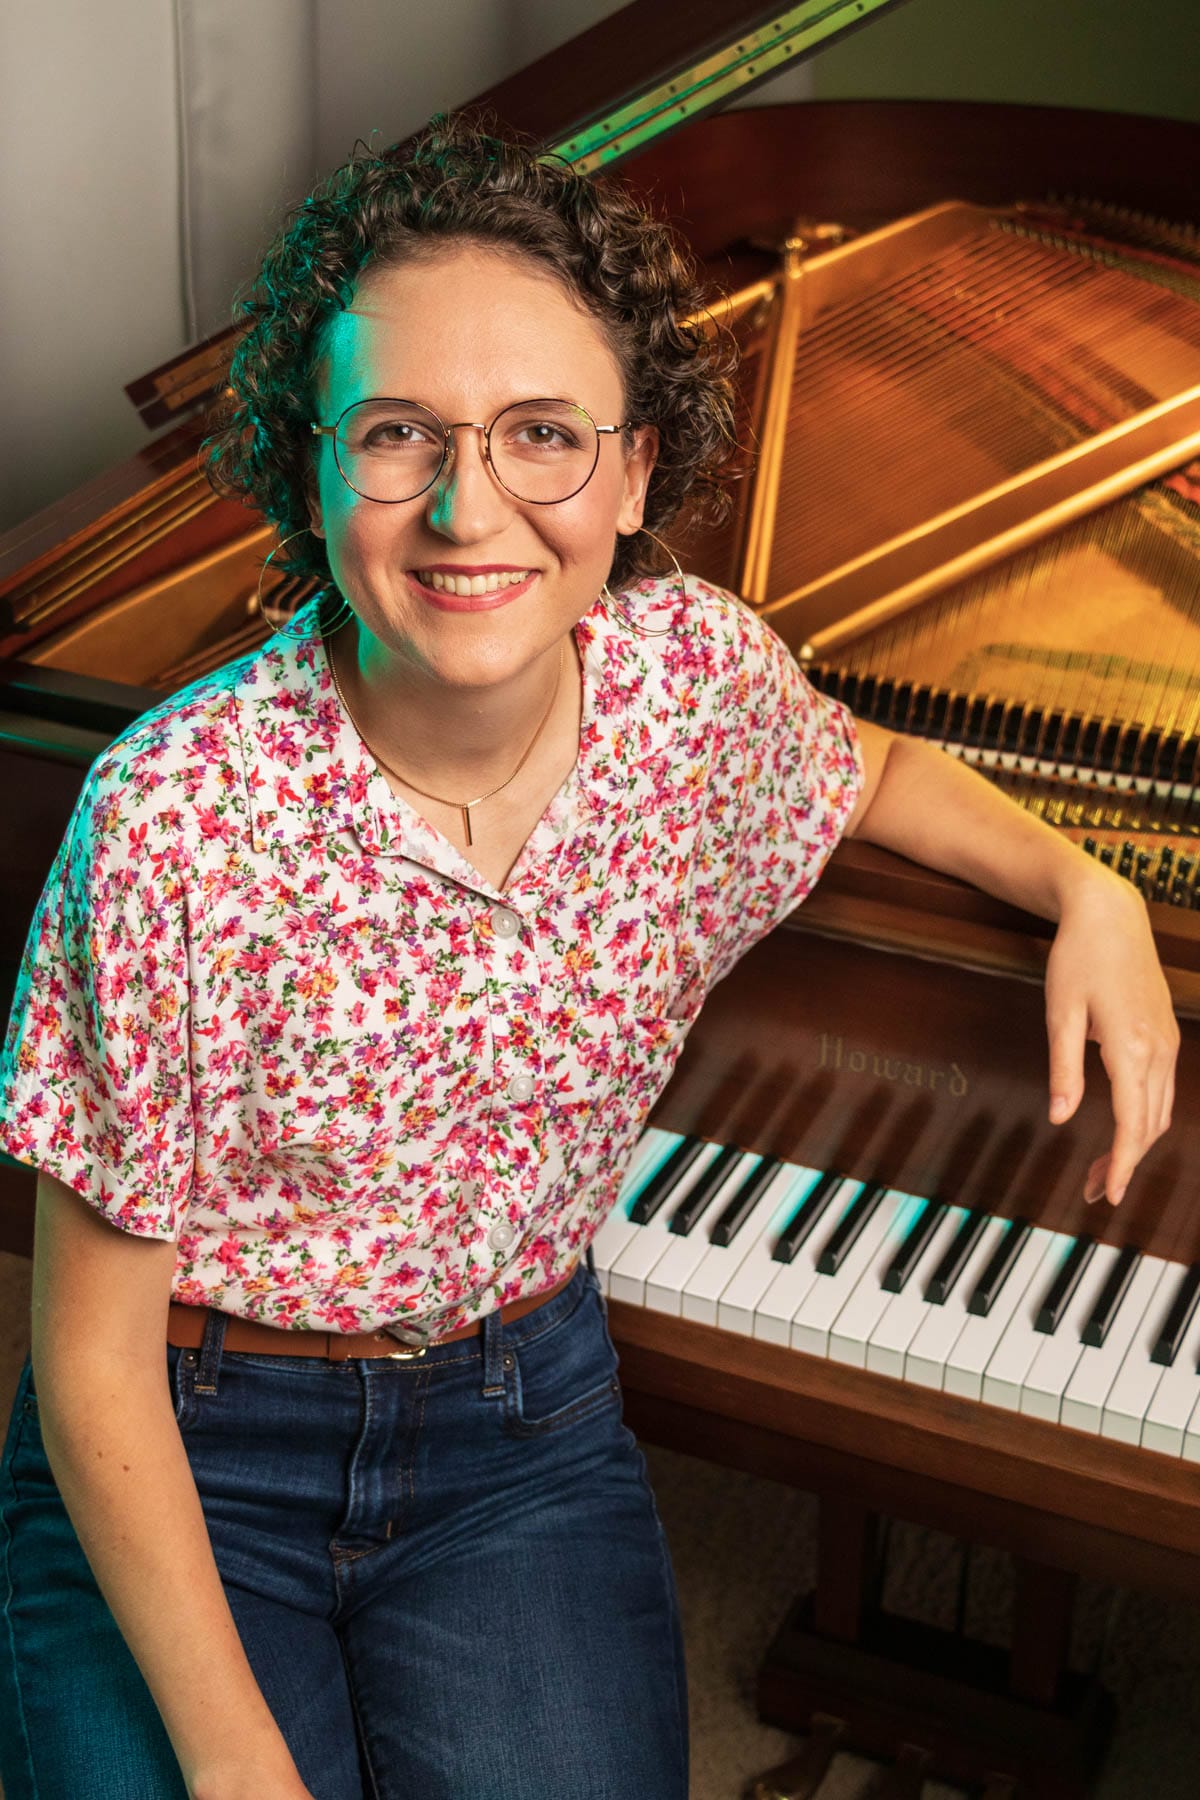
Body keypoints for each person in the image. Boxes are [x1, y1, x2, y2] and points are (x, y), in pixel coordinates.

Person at [0, 112, 1178, 1800]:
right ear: (312, 461)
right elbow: (88, 1352)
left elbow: (886, 771)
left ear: (633, 474)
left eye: (544, 434)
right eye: (399, 434)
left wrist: (1093, 889)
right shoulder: (176, 822)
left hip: (513, 1422)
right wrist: (242, 1763)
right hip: (192, 1432)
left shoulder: (694, 691)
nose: (472, 506)